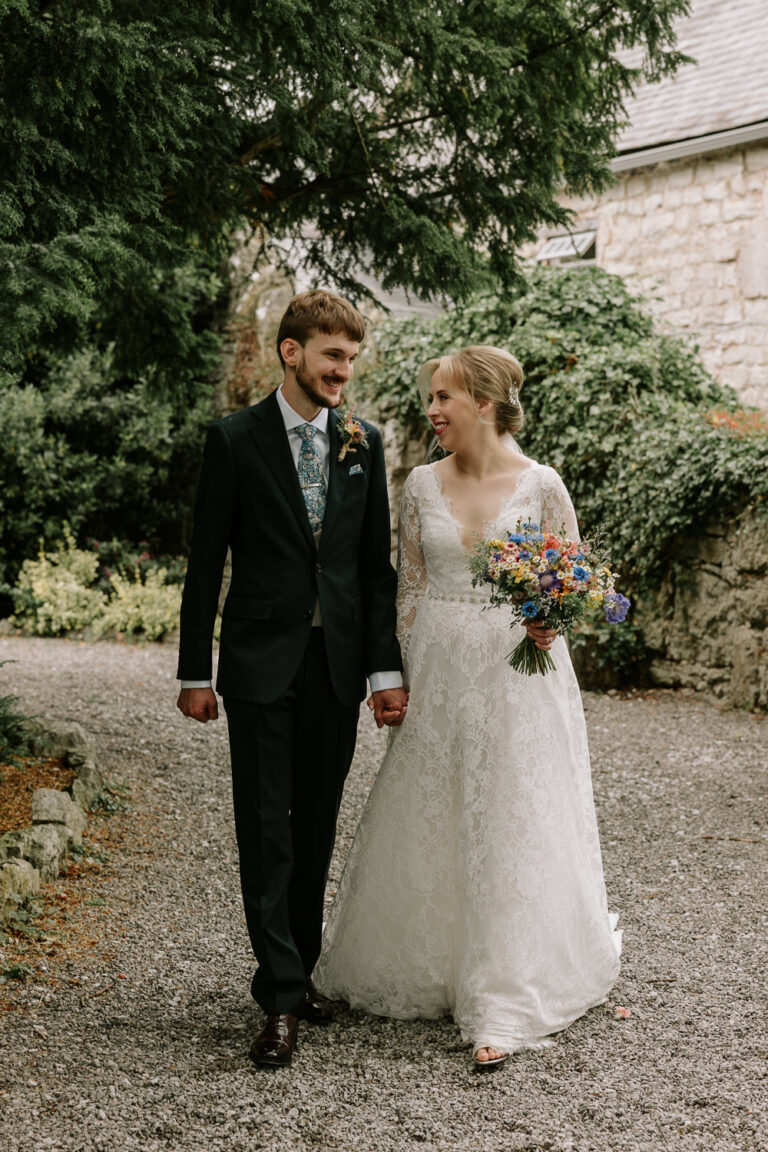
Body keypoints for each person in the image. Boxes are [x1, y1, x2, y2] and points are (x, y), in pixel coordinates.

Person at [313, 345, 621, 1068]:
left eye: (443, 398)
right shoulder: (420, 483)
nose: (432, 411)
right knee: (435, 807)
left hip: (520, 674)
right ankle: (429, 964)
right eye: (431, 398)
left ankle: (505, 997)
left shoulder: (542, 484)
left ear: (483, 404)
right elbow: (411, 588)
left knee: (513, 813)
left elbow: (575, 575)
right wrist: (400, 675)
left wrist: (554, 618)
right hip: (441, 671)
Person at [176, 289, 408, 1068]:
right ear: (292, 353)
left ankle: (296, 971)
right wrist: (192, 671)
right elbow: (206, 563)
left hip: (337, 666)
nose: (344, 369)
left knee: (313, 827)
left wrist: (384, 672)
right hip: (256, 665)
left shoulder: (362, 443)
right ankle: (277, 999)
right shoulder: (235, 440)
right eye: (332, 355)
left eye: (351, 356)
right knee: (265, 830)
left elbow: (373, 572)